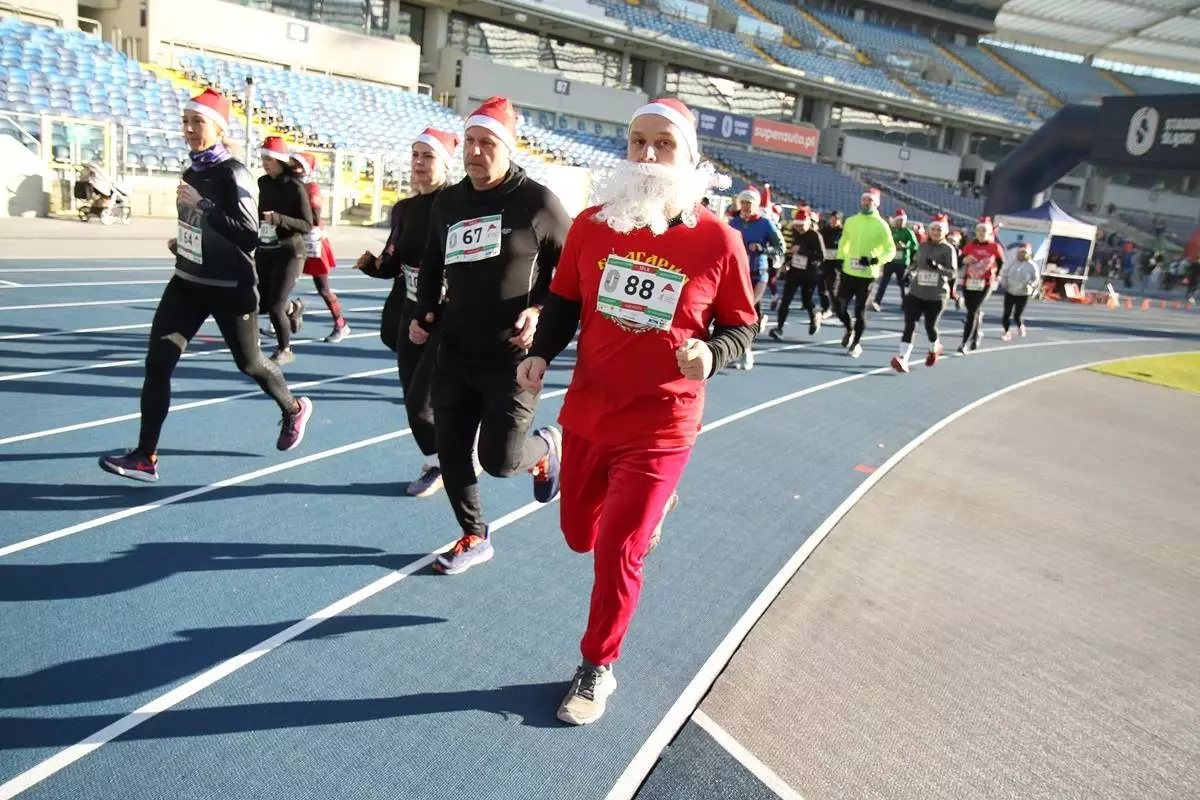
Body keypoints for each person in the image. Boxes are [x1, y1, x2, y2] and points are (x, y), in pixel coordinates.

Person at [517, 97, 757, 726]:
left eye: (663, 144)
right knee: (579, 538)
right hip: (590, 415)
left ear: (691, 158)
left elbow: (739, 326)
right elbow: (565, 303)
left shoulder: (717, 240)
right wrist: (541, 354)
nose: (648, 155)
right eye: (637, 141)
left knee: (618, 552)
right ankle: (650, 504)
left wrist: (714, 351)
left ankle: (597, 665)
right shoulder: (594, 226)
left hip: (662, 426)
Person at [99, 89, 313, 482]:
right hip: (188, 280)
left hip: (230, 286)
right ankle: (146, 456)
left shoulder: (236, 173)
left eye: (197, 122)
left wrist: (205, 208)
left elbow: (248, 236)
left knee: (249, 363)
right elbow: (199, 225)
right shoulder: (192, 170)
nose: (189, 129)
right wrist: (184, 239)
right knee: (157, 364)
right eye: (185, 121)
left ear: (217, 127)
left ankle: (293, 407)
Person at [409, 96, 571, 574]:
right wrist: (424, 314)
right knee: (452, 450)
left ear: (507, 147)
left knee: (500, 462)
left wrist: (540, 310)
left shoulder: (538, 202)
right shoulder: (450, 201)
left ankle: (547, 447)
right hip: (456, 350)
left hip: (510, 357)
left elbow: (574, 269)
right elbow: (434, 266)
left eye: (488, 143)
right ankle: (473, 536)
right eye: (471, 142)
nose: (477, 152)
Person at [355, 128, 465, 497]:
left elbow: (464, 267)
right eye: (415, 155)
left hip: (446, 316)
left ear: (446, 164)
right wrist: (374, 265)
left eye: (427, 157)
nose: (418, 163)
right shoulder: (403, 208)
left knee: (423, 404)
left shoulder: (458, 205)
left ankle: (445, 462)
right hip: (407, 311)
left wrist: (431, 314)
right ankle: (442, 457)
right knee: (411, 397)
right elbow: (395, 262)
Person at [255, 135, 313, 364]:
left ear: (280, 160)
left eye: (268, 159)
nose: (265, 163)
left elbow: (306, 225)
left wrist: (278, 219)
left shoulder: (296, 188)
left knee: (275, 306)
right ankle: (294, 307)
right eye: (262, 158)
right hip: (266, 247)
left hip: (291, 251)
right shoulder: (263, 183)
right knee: (262, 302)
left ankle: (285, 349)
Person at [293, 151, 349, 343]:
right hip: (295, 240)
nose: (292, 167)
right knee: (281, 283)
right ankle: (279, 321)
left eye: (297, 165)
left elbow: (314, 218)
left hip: (312, 243)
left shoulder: (311, 188)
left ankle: (341, 324)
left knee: (323, 288)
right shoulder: (290, 186)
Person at [835, 188, 896, 358]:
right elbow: (844, 241)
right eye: (864, 200)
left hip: (868, 275)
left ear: (876, 204)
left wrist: (876, 260)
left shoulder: (881, 224)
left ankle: (856, 344)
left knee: (860, 311)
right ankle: (849, 329)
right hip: (848, 271)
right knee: (839, 307)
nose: (866, 203)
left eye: (870, 201)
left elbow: (890, 250)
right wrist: (841, 257)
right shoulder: (851, 221)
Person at [891, 214, 956, 373]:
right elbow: (915, 263)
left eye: (939, 229)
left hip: (936, 295)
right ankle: (903, 358)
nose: (935, 232)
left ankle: (935, 347)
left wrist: (938, 268)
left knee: (930, 326)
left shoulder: (948, 249)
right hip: (916, 292)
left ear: (945, 232)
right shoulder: (922, 246)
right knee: (910, 324)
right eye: (933, 229)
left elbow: (952, 273)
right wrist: (909, 274)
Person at [727, 185, 783, 369]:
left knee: (745, 309)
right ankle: (744, 345)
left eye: (749, 203)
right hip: (737, 275)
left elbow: (780, 248)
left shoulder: (765, 223)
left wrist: (762, 249)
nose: (745, 206)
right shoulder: (733, 224)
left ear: (756, 204)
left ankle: (745, 350)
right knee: (746, 314)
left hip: (759, 275)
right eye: (743, 202)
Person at [770, 207, 825, 339]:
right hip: (794, 272)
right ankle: (779, 328)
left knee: (806, 300)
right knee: (786, 300)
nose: (799, 228)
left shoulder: (815, 236)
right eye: (797, 225)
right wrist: (787, 263)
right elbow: (791, 252)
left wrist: (803, 251)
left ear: (808, 223)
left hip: (810, 273)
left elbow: (821, 256)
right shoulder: (795, 233)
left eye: (801, 226)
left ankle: (814, 317)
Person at [958, 217, 1006, 354]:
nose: (980, 232)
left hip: (985, 283)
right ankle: (977, 334)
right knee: (972, 311)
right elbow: (960, 261)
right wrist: (964, 260)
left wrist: (998, 275)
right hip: (969, 281)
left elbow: (1001, 263)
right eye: (978, 230)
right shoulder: (970, 245)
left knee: (972, 311)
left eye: (984, 230)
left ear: (989, 232)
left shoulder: (995, 247)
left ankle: (964, 343)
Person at [871, 208, 918, 311]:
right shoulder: (890, 230)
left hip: (902, 262)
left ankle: (906, 303)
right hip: (890, 261)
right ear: (895, 221)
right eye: (900, 220)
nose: (902, 223)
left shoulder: (908, 232)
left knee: (902, 285)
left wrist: (905, 246)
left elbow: (915, 246)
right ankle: (876, 302)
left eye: (903, 221)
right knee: (883, 283)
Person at [998, 240, 1040, 340]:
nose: (1022, 254)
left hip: (1023, 293)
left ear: (1028, 254)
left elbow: (1036, 279)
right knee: (1006, 314)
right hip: (1010, 291)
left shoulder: (1032, 265)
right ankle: (1006, 332)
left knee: (1017, 315)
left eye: (1024, 253)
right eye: (1020, 252)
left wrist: (1031, 285)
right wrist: (1004, 283)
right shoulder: (1012, 263)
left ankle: (1020, 326)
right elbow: (1005, 274)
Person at [818, 210, 843, 317]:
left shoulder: (843, 232)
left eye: (836, 219)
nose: (833, 220)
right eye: (832, 218)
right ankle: (826, 307)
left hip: (837, 264)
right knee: (821, 286)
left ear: (840, 221)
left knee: (832, 287)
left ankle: (837, 307)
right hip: (824, 262)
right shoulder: (824, 231)